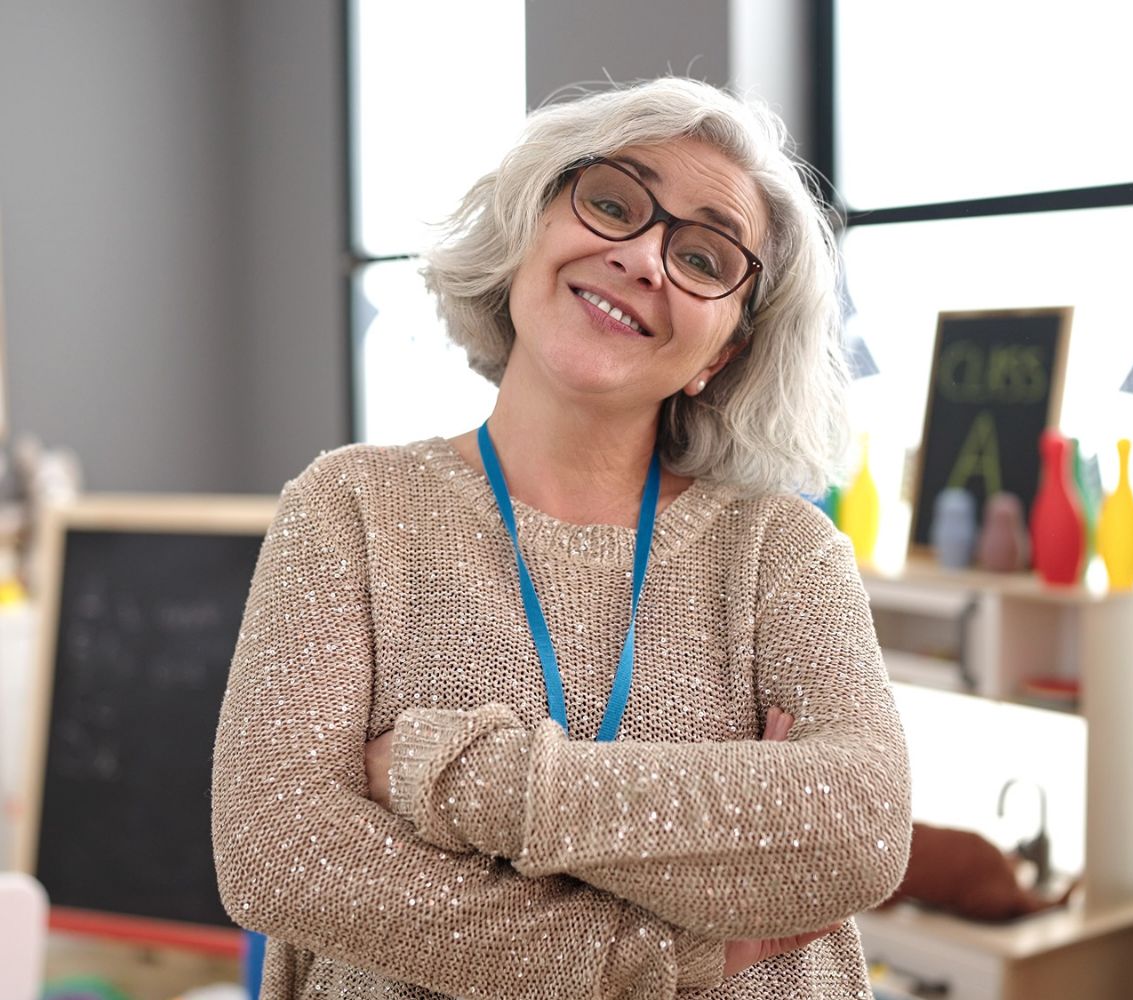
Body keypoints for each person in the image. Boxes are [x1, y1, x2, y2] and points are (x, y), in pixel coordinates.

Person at [212, 76, 911, 999]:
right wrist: (667, 941)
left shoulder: (780, 552)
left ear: (721, 354)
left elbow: (857, 830)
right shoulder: (350, 509)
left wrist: (443, 775)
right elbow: (279, 850)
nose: (645, 259)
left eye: (705, 258)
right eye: (614, 204)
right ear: (527, 229)